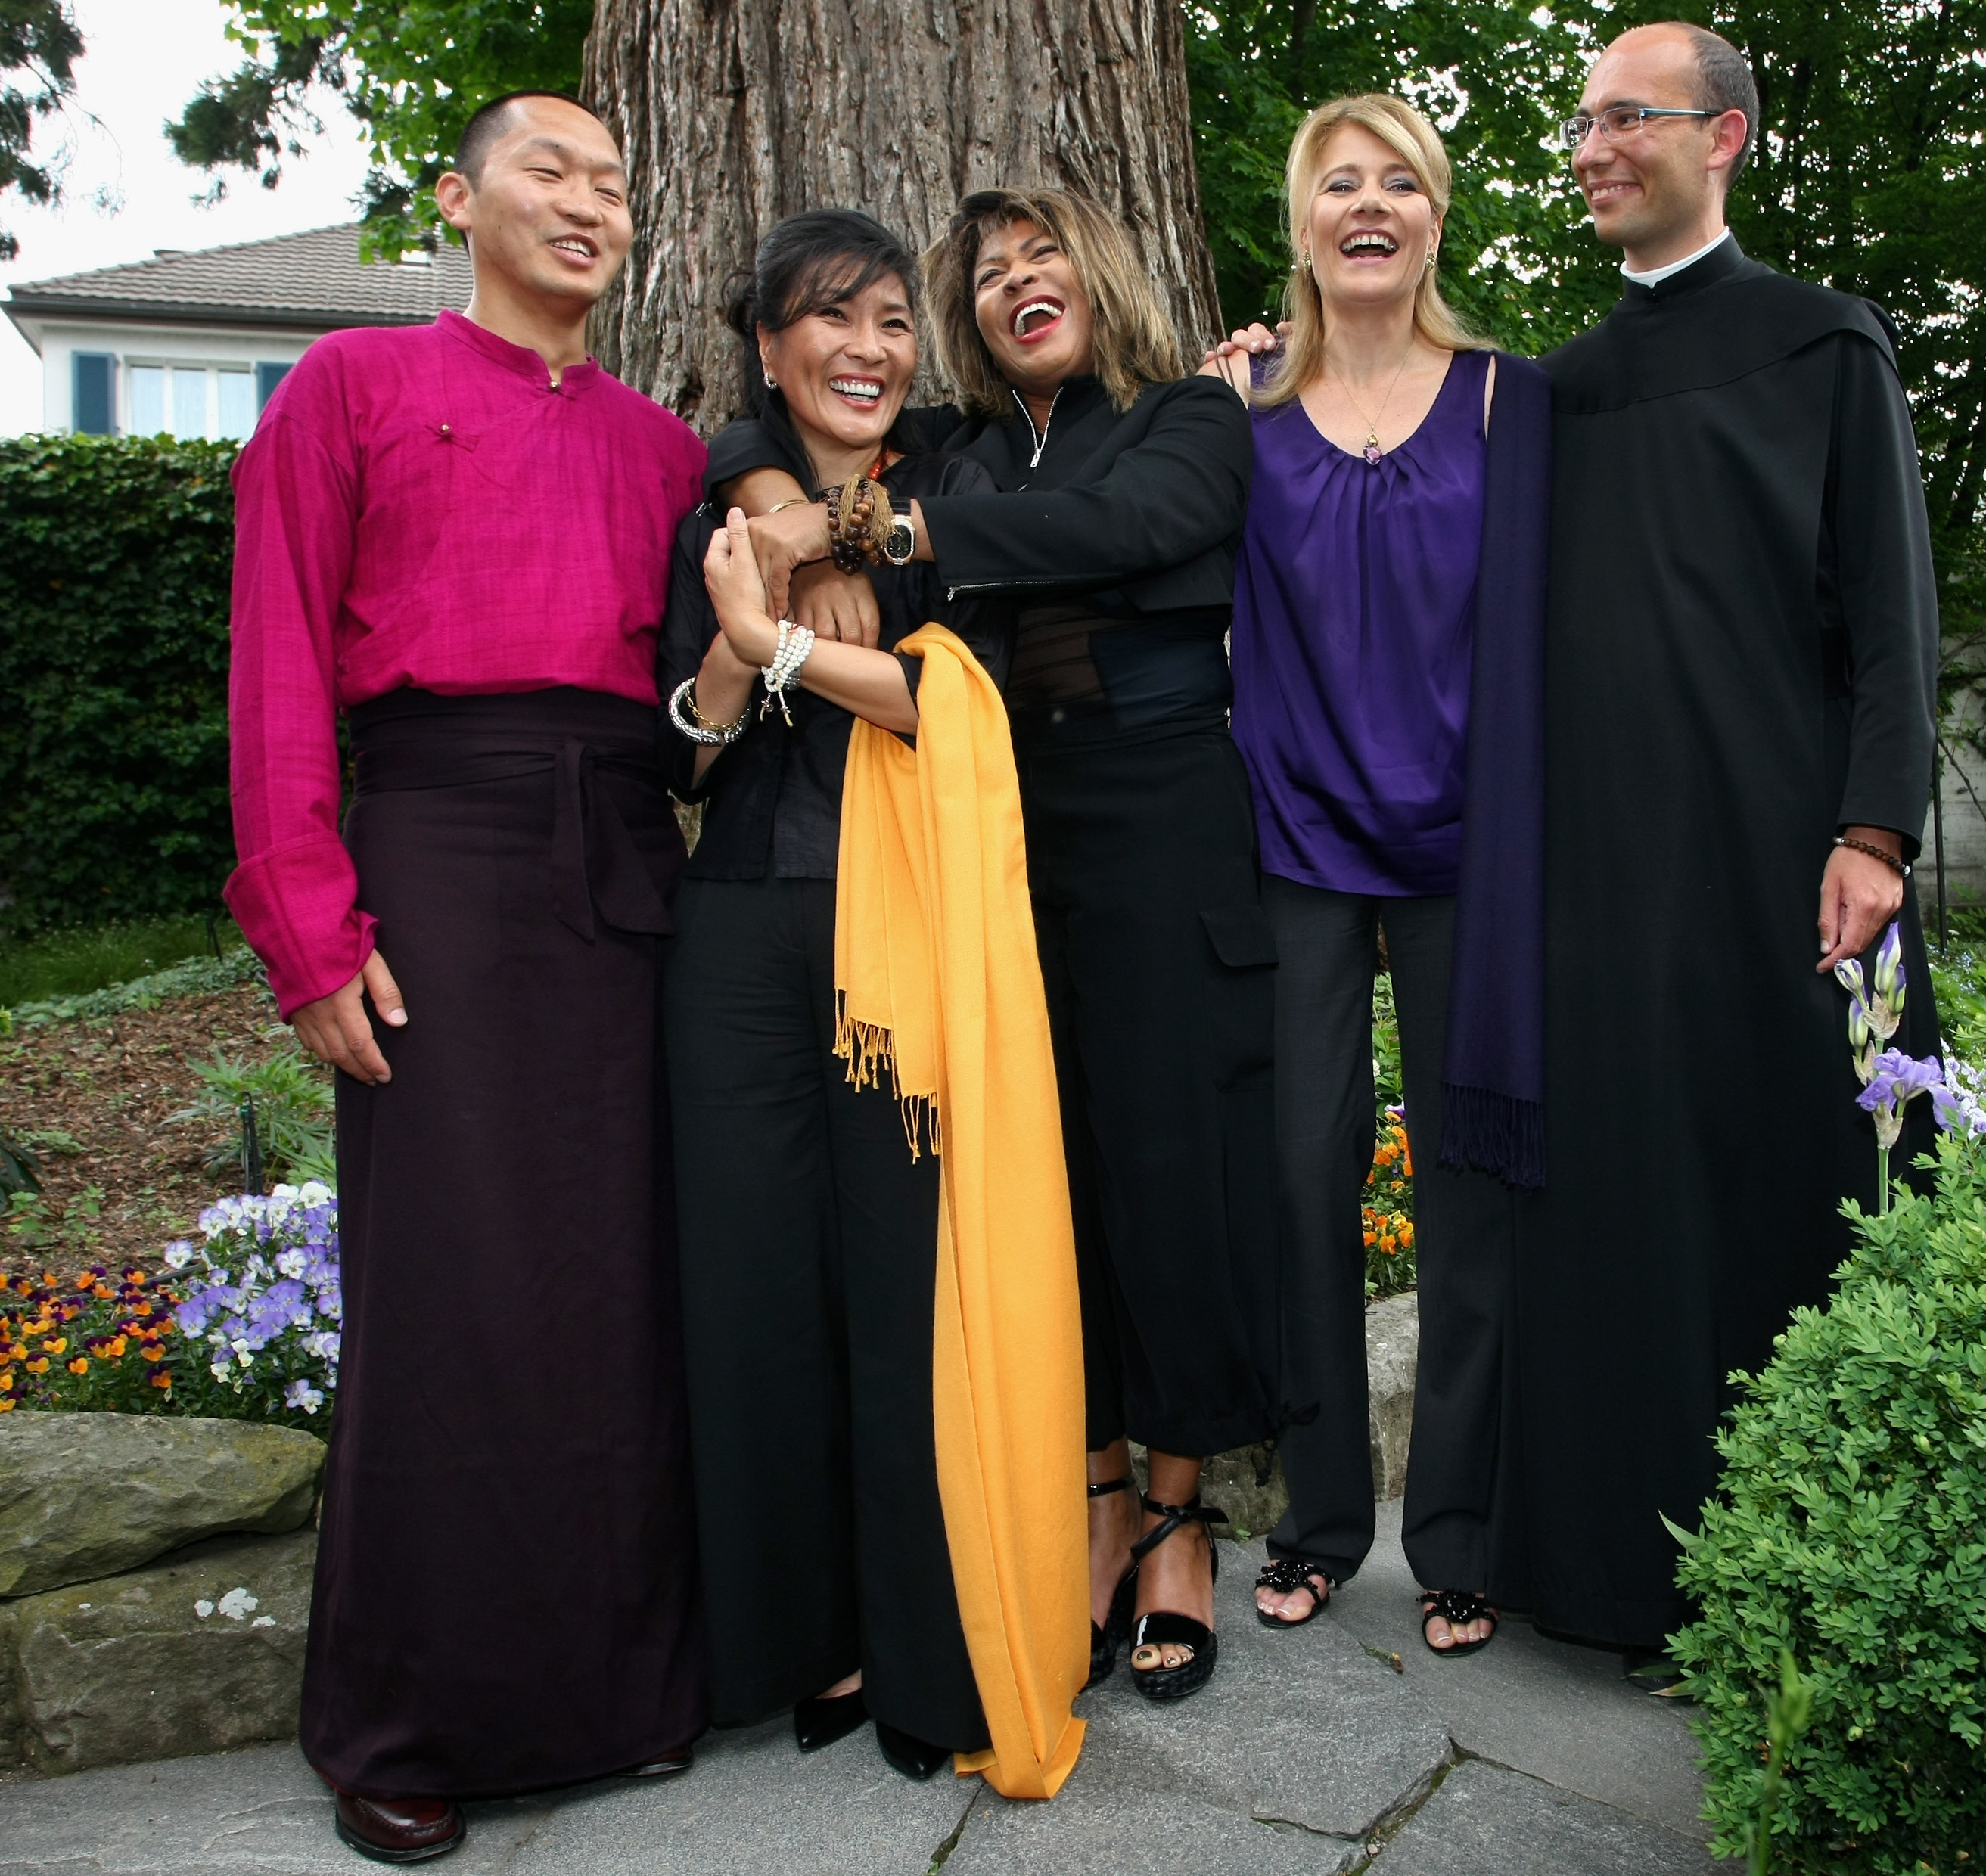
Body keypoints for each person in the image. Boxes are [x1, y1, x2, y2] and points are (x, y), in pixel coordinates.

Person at [222, 91, 710, 1863]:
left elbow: (701, 703)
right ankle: (407, 1713)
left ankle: (622, 1690)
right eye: (550, 171)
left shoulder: (667, 449)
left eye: (610, 184)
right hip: (431, 849)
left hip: (630, 856)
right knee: (448, 1287)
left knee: (619, 1282)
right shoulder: (345, 389)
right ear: (462, 195)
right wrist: (307, 921)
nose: (587, 204)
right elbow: (277, 656)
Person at [710, 186, 1276, 1704]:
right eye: (989, 275)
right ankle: (1092, 1499)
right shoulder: (958, 444)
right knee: (1049, 1178)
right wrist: (793, 491)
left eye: (1044, 261)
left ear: (1096, 275)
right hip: (1003, 825)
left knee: (1166, 1178)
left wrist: (888, 527)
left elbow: (1132, 527)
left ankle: (1175, 1522)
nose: (1019, 285)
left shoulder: (1186, 419)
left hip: (1160, 813)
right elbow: (750, 447)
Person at [1512, 23, 1941, 1651]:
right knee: (1627, 1211)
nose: (1593, 144)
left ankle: (1820, 1577)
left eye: (1628, 115)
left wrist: (1874, 829)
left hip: (1788, 856)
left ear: (1726, 137)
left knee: (1796, 1194)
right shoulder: (1551, 393)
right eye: (1582, 121)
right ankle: (1623, 1580)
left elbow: (1891, 621)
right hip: (1601, 875)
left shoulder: (1822, 345)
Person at [659, 209, 1030, 1787]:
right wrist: (746, 625)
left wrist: (795, 600)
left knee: (903, 1277)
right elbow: (684, 747)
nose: (865, 347)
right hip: (742, 925)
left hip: (910, 928)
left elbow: (964, 699)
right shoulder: (724, 492)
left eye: (888, 318)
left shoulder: (953, 479)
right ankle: (786, 1630)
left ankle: (916, 1636)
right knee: (751, 1281)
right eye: (826, 318)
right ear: (768, 345)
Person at [1198, 95, 1548, 1660]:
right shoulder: (1239, 419)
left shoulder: (1503, 403)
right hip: (1292, 841)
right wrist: (1218, 392)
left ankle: (1463, 1533)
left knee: (1471, 1191)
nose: (1367, 202)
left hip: (1470, 847)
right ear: (1301, 221)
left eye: (1396, 180)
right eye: (1337, 181)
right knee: (1297, 1174)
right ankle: (1322, 1518)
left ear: (1432, 217)